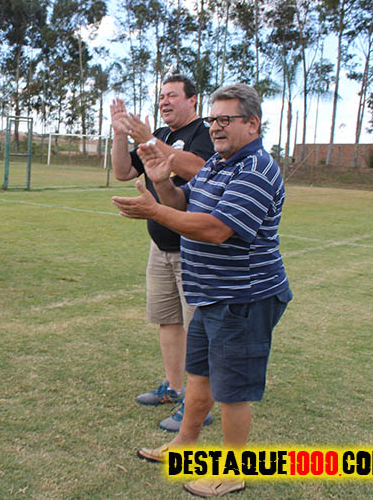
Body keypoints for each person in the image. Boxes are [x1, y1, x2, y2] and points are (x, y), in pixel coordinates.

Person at [113, 83, 292, 498]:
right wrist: (163, 184)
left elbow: (217, 229)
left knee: (233, 391)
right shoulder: (217, 164)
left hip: (243, 299)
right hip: (211, 294)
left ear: (253, 124)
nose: (216, 127)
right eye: (213, 119)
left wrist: (155, 210)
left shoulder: (255, 169)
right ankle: (184, 445)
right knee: (200, 377)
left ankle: (233, 471)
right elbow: (183, 204)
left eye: (226, 119)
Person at [111, 74, 216, 432]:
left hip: (195, 248)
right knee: (168, 320)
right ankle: (174, 388)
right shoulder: (160, 134)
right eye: (161, 97)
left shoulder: (205, 133)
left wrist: (148, 139)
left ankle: (200, 404)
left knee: (199, 327)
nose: (164, 102)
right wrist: (120, 134)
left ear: (193, 100)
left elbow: (199, 170)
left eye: (172, 95)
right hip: (161, 246)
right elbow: (123, 171)